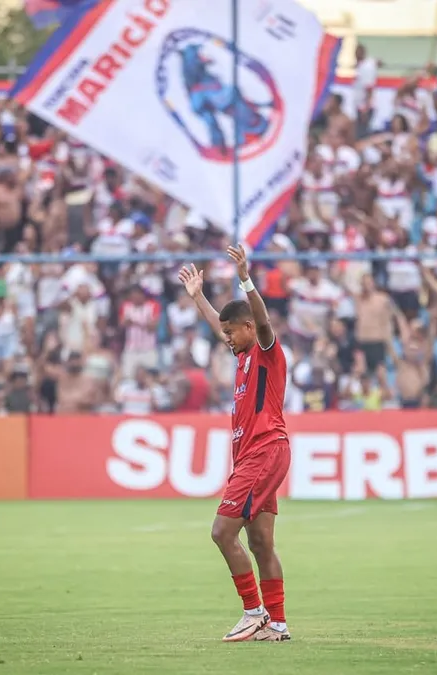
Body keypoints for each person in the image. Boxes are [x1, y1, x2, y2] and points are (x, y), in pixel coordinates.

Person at [178, 245, 291, 643]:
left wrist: (245, 279)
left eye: (231, 332)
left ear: (246, 328)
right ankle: (277, 625)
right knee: (260, 541)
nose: (225, 338)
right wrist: (198, 298)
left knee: (222, 532)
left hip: (264, 449)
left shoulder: (265, 350)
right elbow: (218, 322)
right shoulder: (240, 354)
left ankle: (252, 610)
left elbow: (260, 321)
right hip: (254, 454)